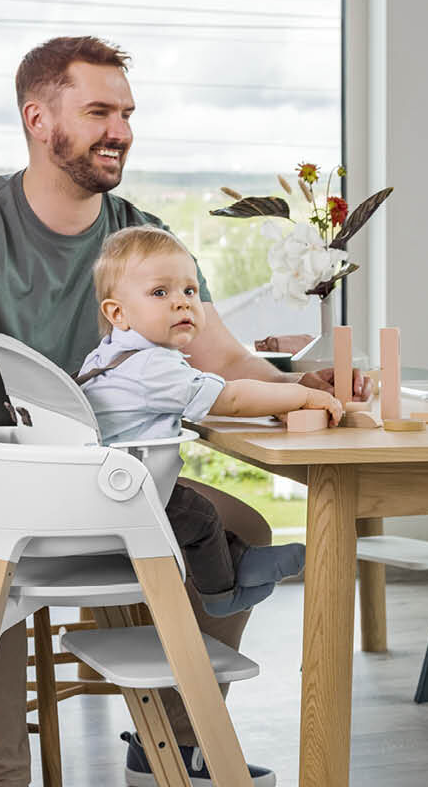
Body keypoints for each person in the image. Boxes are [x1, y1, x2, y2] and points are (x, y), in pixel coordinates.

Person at [0, 36, 363, 787]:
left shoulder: (144, 239)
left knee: (238, 530)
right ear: (38, 119)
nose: (121, 130)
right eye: (98, 111)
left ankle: (170, 743)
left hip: (103, 484)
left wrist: (316, 383)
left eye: (127, 113)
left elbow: (227, 361)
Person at [79, 226, 343, 615]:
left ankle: (243, 561)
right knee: (200, 517)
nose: (182, 304)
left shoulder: (109, 355)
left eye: (190, 291)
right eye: (159, 293)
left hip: (104, 488)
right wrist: (303, 394)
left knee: (197, 513)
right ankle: (221, 595)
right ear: (117, 313)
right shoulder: (152, 367)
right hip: (128, 497)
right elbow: (232, 399)